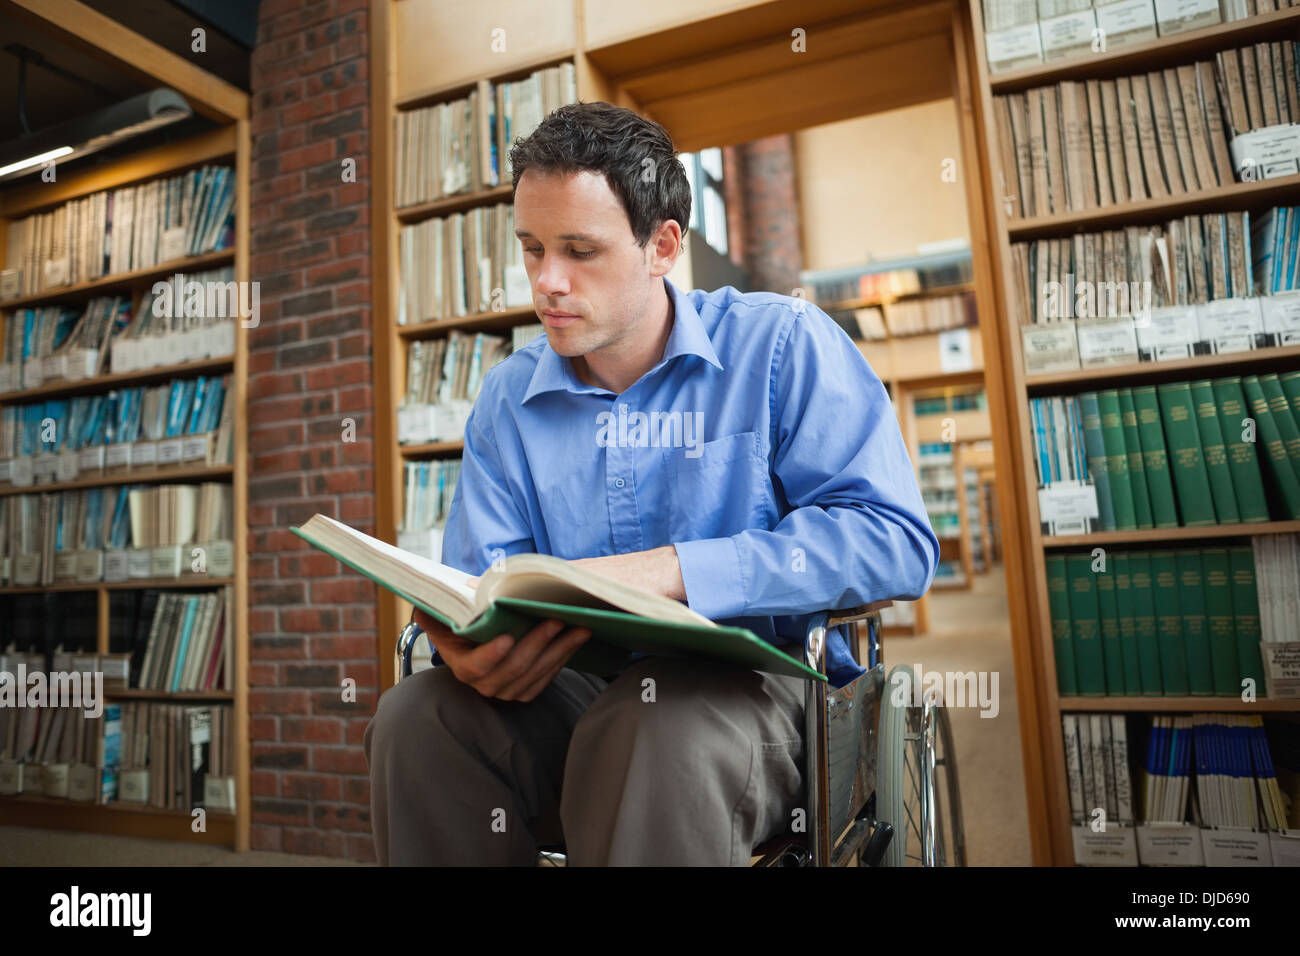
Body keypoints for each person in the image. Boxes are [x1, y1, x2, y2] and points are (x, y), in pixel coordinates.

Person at [363, 101, 939, 866]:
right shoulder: (508, 399)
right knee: (416, 717)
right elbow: (481, 584)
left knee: (652, 724)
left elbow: (895, 543)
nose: (548, 282)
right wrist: (463, 643)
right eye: (532, 249)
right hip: (573, 693)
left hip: (755, 695)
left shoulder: (781, 345)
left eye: (580, 250)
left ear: (663, 246)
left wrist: (674, 571)